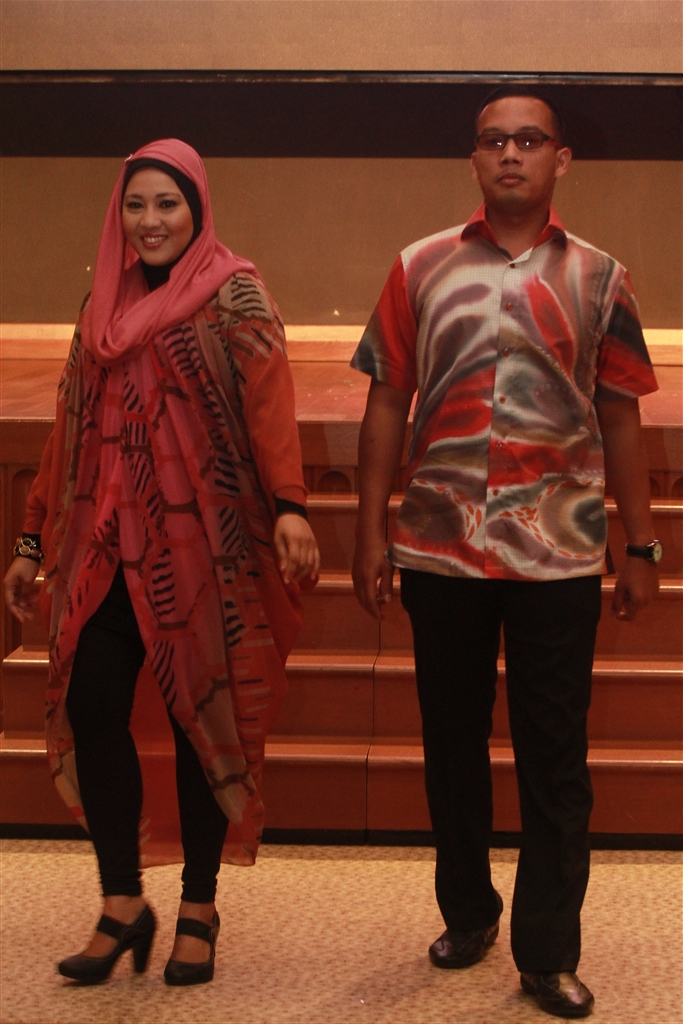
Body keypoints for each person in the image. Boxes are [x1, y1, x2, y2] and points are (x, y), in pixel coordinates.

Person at [351, 86, 660, 1019]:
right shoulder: (418, 268)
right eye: (493, 141)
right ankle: (468, 913)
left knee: (554, 761)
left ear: (560, 159)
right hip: (438, 549)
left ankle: (548, 952)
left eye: (528, 140)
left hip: (555, 555)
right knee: (450, 750)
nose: (510, 154)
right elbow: (386, 400)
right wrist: (369, 526)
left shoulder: (600, 277)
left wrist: (639, 542)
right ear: (474, 158)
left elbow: (620, 416)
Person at [3, 138, 319, 987]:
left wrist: (291, 506)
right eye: (135, 204)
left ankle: (199, 908)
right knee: (90, 703)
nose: (150, 221)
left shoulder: (235, 297)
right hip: (103, 549)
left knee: (198, 721)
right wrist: (31, 540)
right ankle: (121, 903)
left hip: (202, 549)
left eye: (167, 204)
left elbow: (270, 409)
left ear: (197, 209)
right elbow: (68, 431)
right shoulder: (101, 307)